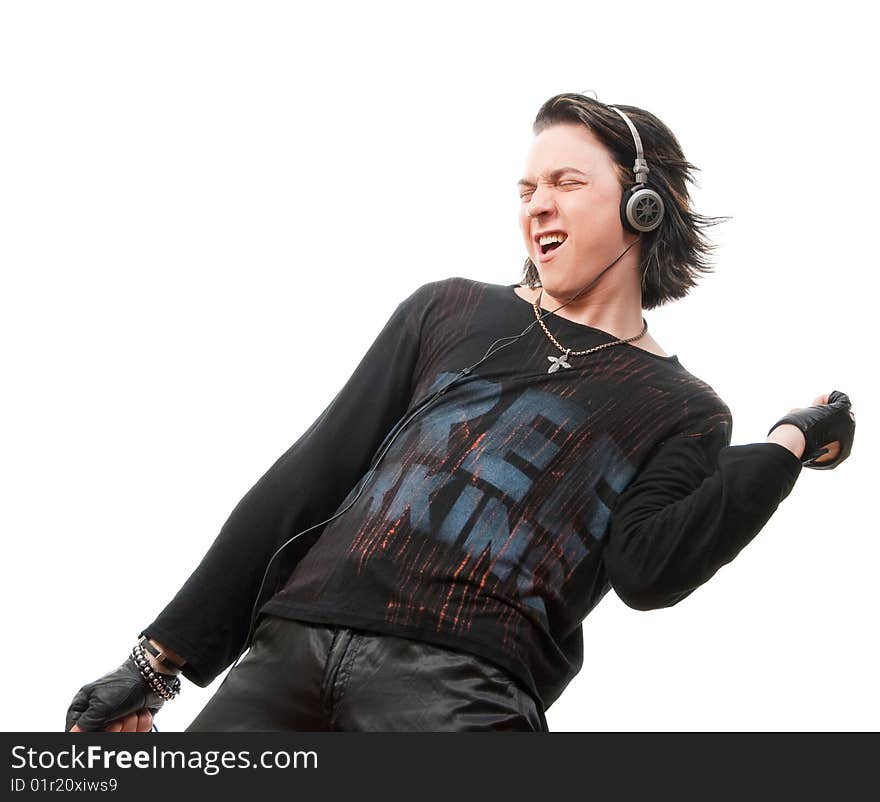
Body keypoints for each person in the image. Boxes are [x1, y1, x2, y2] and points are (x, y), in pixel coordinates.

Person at [66, 92, 856, 733]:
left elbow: (651, 571)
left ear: (644, 207)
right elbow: (310, 476)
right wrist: (155, 665)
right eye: (527, 190)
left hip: (462, 690)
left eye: (567, 184)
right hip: (288, 652)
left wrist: (784, 445)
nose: (538, 206)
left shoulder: (680, 409)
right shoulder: (446, 311)